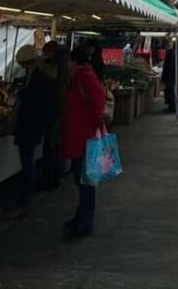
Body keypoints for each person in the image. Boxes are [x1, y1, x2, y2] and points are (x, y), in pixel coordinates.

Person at [61, 45, 106, 240]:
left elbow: (97, 101)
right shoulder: (80, 76)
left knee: (85, 182)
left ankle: (84, 223)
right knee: (82, 181)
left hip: (84, 138)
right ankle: (81, 217)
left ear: (73, 61)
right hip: (79, 136)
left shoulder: (83, 76)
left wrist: (97, 124)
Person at [5, 45, 56, 218]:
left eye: (24, 64)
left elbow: (35, 105)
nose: (23, 67)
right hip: (31, 126)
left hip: (30, 126)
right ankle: (24, 198)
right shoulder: (39, 77)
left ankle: (25, 200)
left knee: (27, 164)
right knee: (27, 163)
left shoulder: (39, 80)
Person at [39, 40, 69, 189]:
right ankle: (56, 175)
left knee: (51, 145)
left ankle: (49, 177)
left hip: (55, 110)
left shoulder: (55, 69)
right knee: (55, 145)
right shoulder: (64, 66)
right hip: (60, 110)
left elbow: (56, 92)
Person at [161, 42, 178, 113]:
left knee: (170, 92)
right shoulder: (173, 53)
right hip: (171, 76)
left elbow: (168, 66)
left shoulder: (170, 53)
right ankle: (171, 106)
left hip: (169, 76)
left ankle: (172, 107)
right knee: (170, 92)